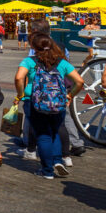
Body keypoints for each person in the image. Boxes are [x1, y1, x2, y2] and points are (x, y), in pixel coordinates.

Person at [13, 32, 83, 179]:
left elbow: (19, 78)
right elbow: (80, 82)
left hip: (34, 102)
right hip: (58, 103)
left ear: (33, 47)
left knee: (43, 136)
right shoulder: (61, 62)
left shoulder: (29, 61)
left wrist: (20, 94)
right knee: (55, 132)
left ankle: (47, 171)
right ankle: (57, 160)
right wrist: (70, 95)